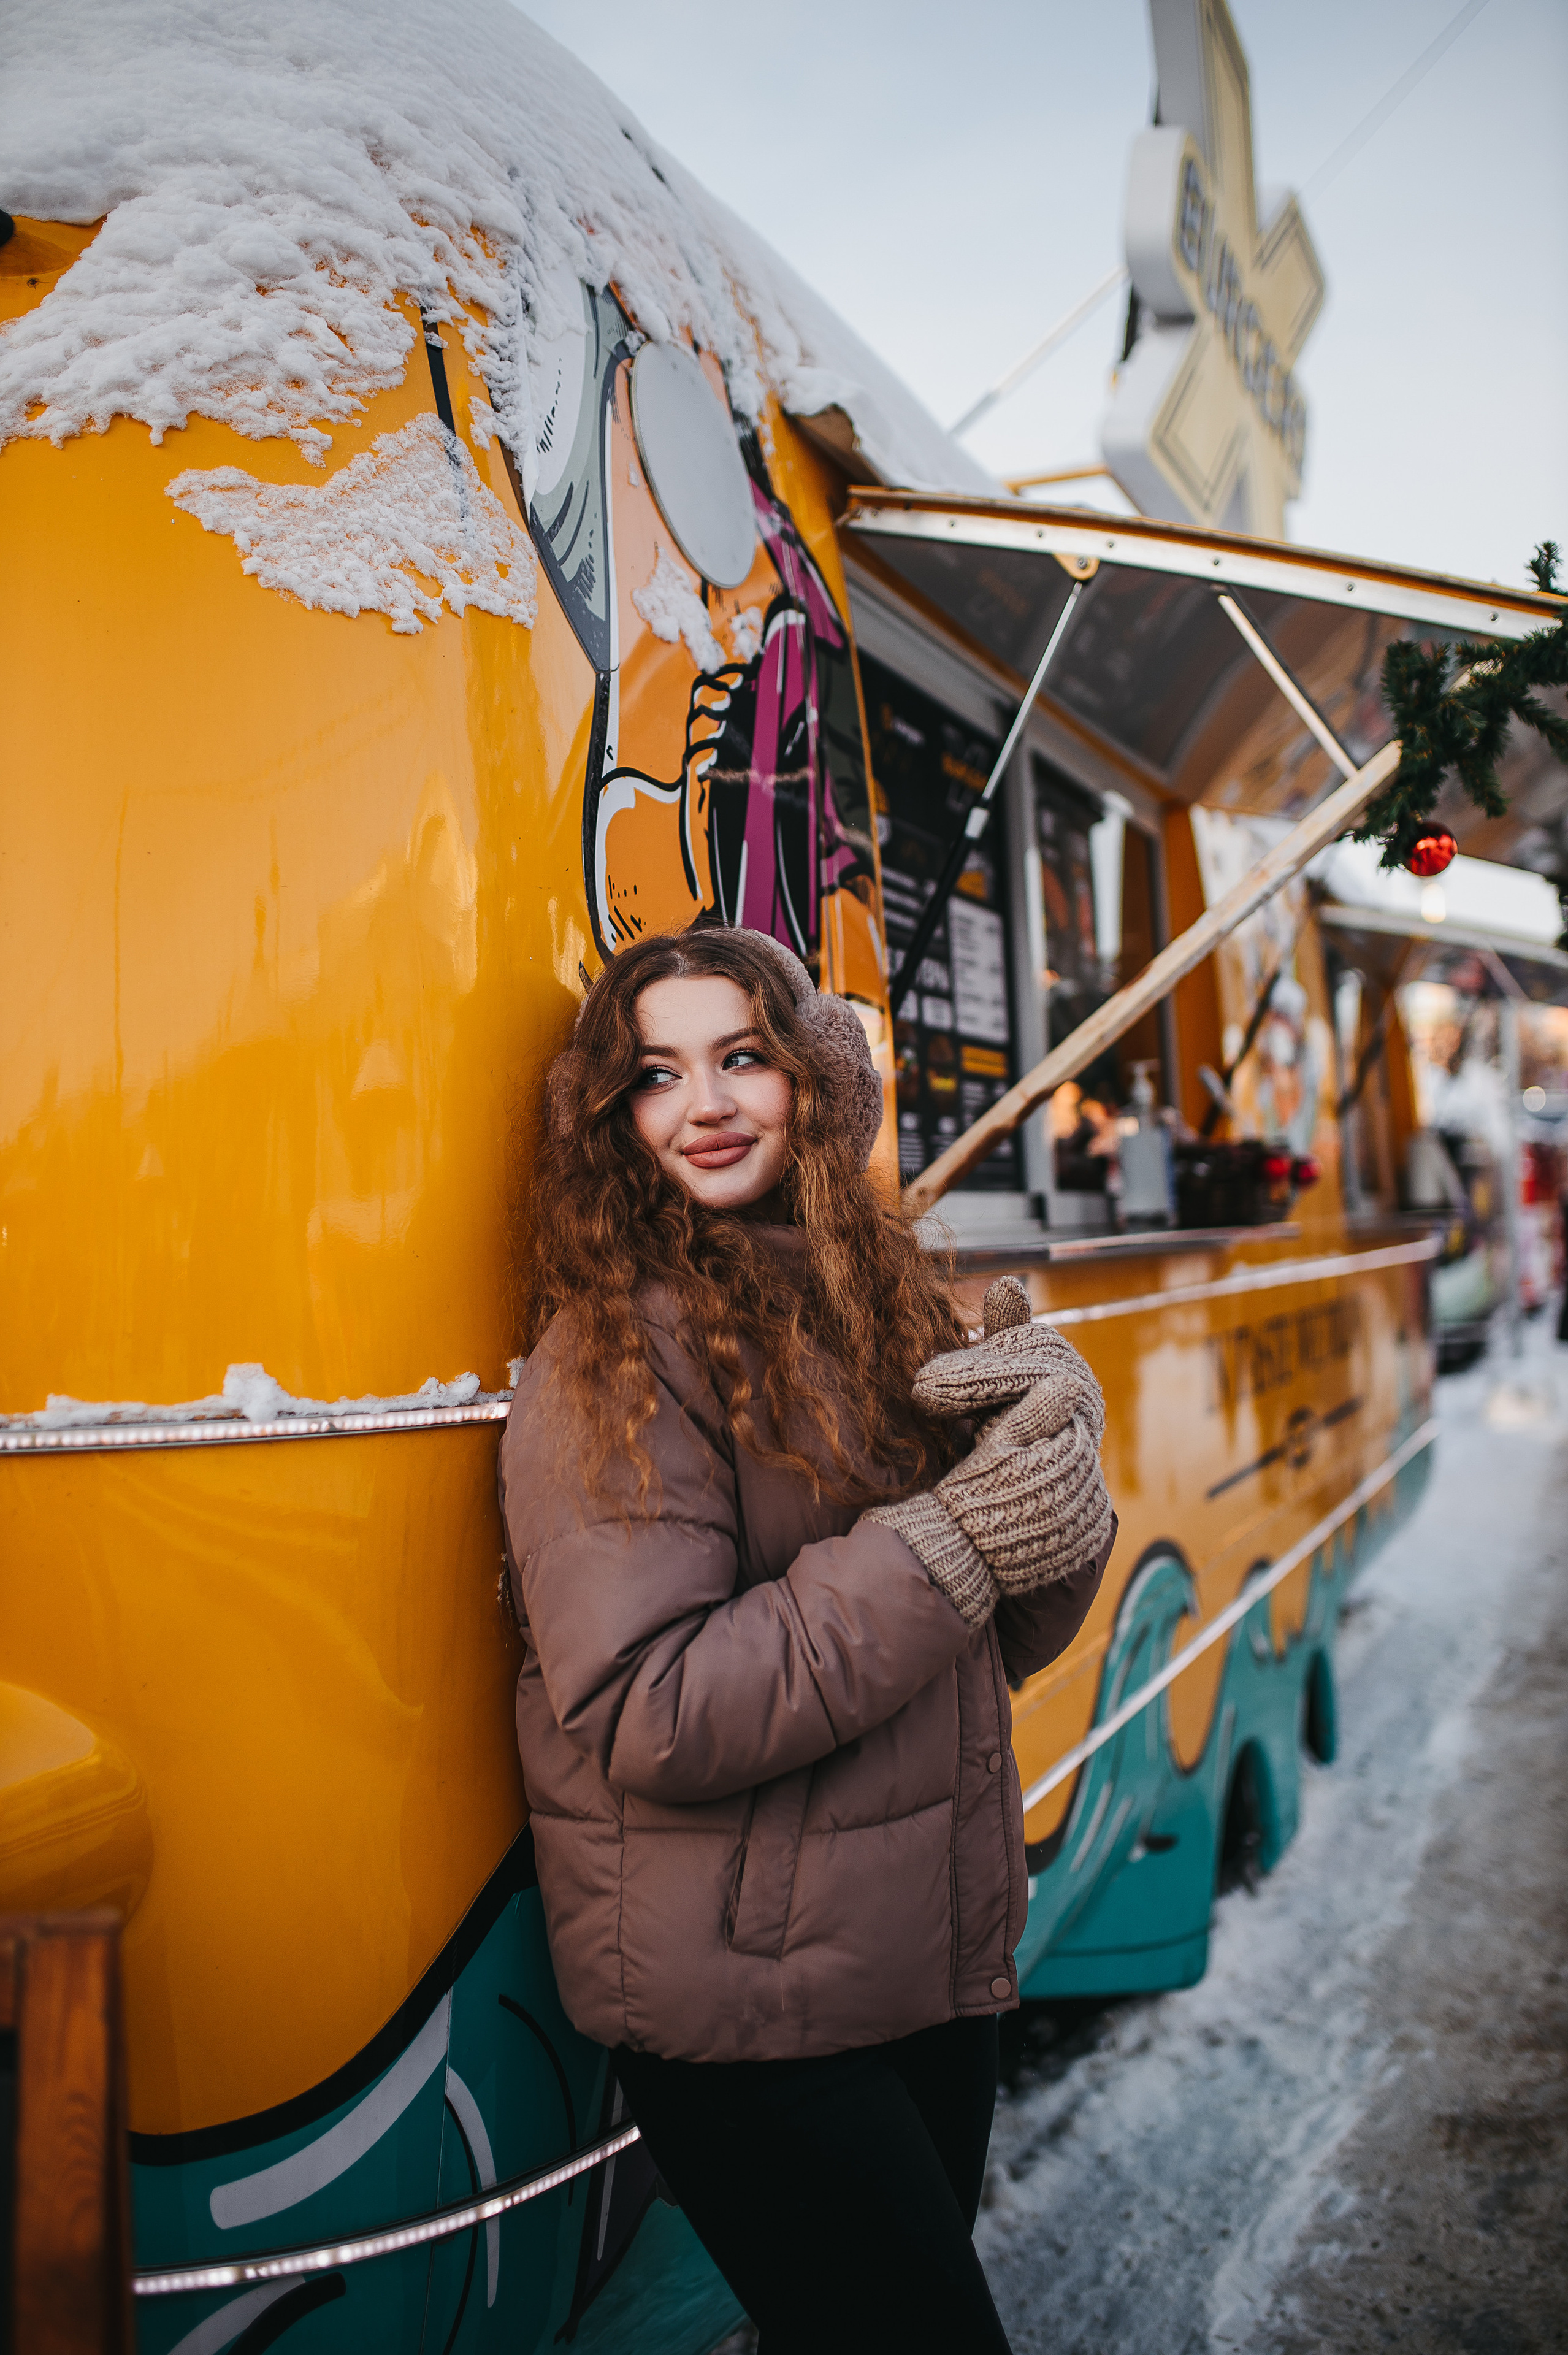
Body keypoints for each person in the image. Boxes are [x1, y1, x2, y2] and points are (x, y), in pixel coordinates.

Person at [500, 927, 1115, 2353]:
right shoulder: (607, 1357)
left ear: (813, 1086)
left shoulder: (863, 1304)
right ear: (612, 1122)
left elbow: (980, 1653)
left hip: (919, 1958)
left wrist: (1050, 1483)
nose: (705, 1103)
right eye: (655, 1075)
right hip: (749, 2004)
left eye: (742, 1058)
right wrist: (950, 1541)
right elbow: (658, 1710)